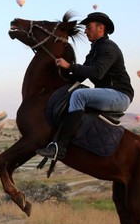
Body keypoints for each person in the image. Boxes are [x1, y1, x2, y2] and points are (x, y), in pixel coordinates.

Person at [36, 12, 134, 159]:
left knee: (79, 95)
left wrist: (69, 65)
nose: (85, 31)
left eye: (88, 27)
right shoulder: (95, 50)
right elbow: (80, 76)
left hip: (119, 95)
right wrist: (58, 73)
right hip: (108, 93)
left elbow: (97, 72)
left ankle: (60, 147)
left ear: (101, 28)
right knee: (74, 92)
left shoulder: (108, 47)